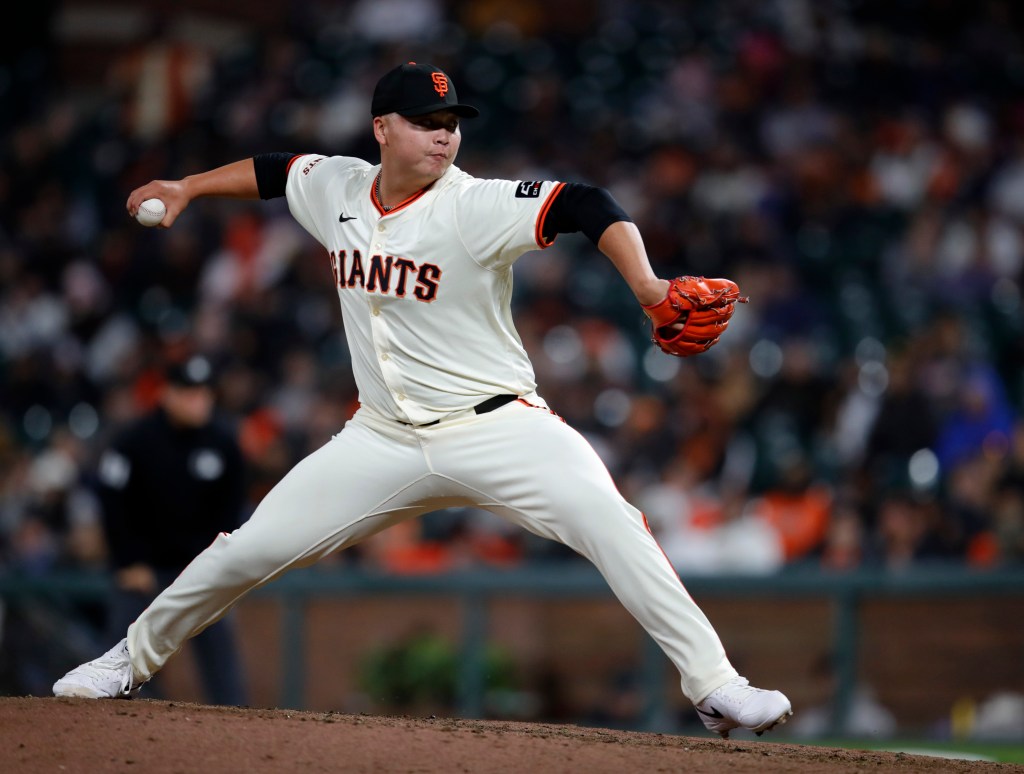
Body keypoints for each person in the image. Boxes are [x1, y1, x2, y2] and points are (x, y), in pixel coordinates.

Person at [54, 62, 791, 738]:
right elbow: (275, 171)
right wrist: (186, 187)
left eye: (452, 122)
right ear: (382, 130)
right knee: (245, 550)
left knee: (614, 521)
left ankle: (716, 685)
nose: (444, 134)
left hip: (499, 426)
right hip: (381, 440)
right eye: (426, 121)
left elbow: (585, 203)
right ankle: (126, 661)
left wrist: (648, 287)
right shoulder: (339, 185)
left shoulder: (474, 206)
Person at [93, 353, 248, 706]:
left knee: (222, 663)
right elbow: (111, 502)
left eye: (205, 392)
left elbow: (231, 511)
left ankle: (236, 730)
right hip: (143, 570)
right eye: (189, 392)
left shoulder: (223, 444)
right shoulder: (134, 441)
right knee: (119, 654)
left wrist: (217, 564)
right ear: (168, 394)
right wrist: (127, 561)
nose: (199, 400)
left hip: (199, 569)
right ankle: (101, 714)